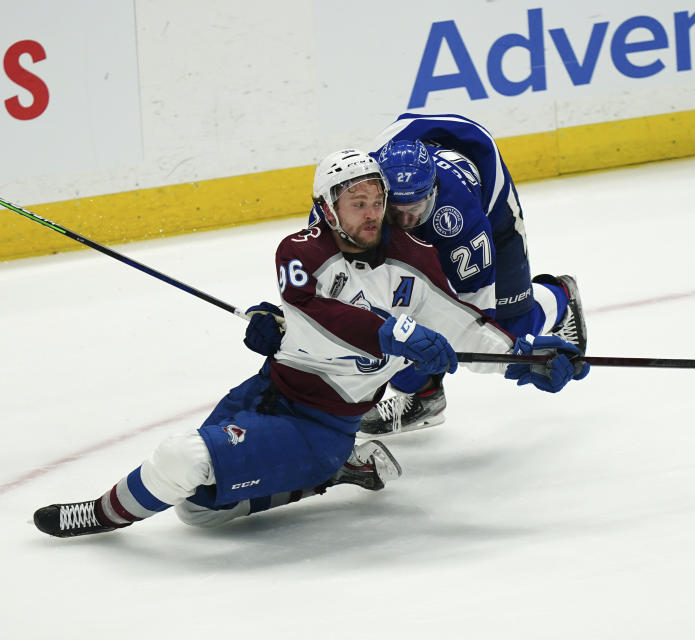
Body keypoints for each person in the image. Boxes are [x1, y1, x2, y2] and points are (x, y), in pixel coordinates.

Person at [33, 149, 588, 539]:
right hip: (271, 389)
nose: (372, 215)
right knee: (197, 512)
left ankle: (101, 514)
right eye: (356, 204)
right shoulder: (299, 250)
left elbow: (469, 331)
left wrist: (529, 356)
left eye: (376, 201)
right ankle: (338, 469)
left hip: (320, 423)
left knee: (181, 459)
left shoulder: (414, 263)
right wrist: (273, 319)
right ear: (329, 209)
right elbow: (317, 314)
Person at [246, 114, 588, 437]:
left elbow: (476, 320)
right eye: (395, 208)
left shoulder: (462, 223)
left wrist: (519, 359)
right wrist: (289, 320)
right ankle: (425, 397)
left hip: (486, 200)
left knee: (511, 325)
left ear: (433, 194)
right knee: (386, 332)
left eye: (417, 209)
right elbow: (332, 296)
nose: (406, 219)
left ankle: (559, 296)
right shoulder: (348, 205)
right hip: (410, 154)